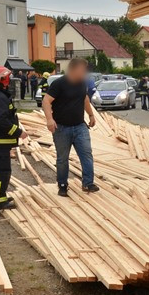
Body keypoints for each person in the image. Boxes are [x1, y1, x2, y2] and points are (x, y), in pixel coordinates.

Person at [42, 58, 99, 197]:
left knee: (86, 154)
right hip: (61, 128)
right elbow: (46, 101)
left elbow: (85, 99)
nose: (85, 72)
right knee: (62, 158)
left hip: (80, 126)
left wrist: (91, 115)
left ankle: (88, 183)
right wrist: (49, 119)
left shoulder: (82, 83)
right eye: (83, 69)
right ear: (74, 69)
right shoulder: (59, 83)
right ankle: (62, 185)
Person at [0, 67, 27, 211]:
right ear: (3, 79)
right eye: (8, 77)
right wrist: (18, 132)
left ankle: (0, 197)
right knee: (1, 171)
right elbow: (2, 121)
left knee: (1, 171)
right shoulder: (0, 97)